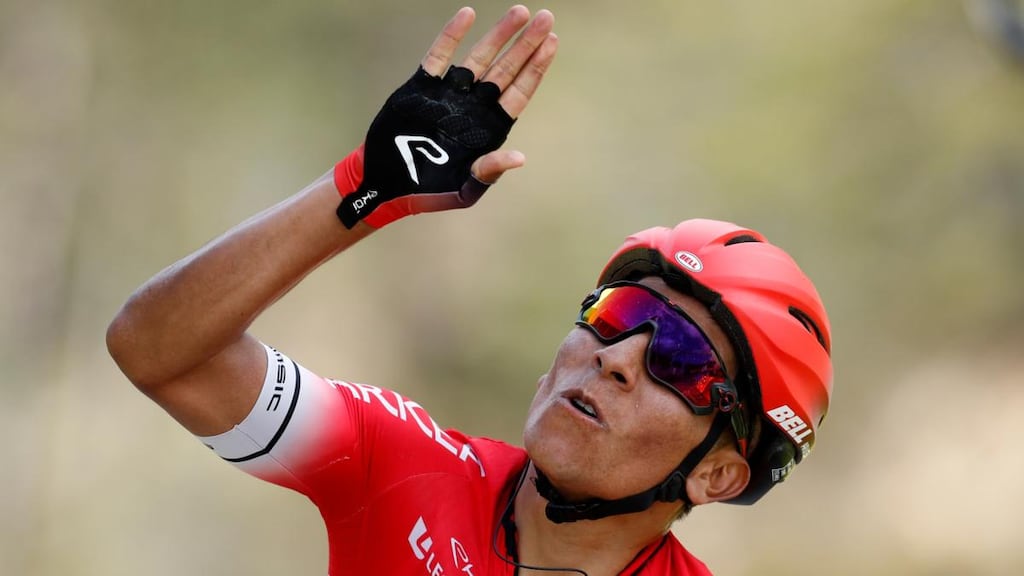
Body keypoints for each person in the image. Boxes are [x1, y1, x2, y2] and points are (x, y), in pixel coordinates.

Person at [106, 5, 833, 575]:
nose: (615, 358)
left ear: (718, 474)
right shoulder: (402, 462)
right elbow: (158, 351)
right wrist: (363, 191)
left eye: (680, 360)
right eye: (618, 315)